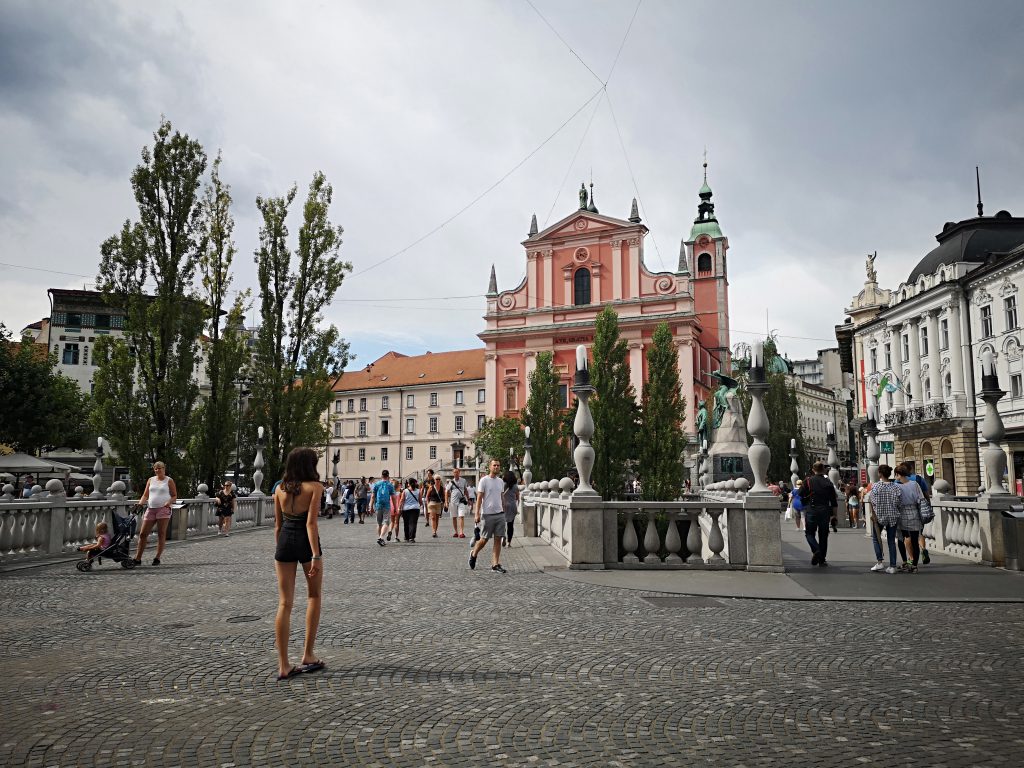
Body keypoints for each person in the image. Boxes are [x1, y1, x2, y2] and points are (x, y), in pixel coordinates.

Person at [272, 446, 325, 681]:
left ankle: (283, 664)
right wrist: (315, 555)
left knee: (284, 603)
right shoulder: (315, 488)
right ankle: (308, 654)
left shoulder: (279, 489)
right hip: (305, 542)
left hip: (284, 542)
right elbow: (311, 524)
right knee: (313, 596)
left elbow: (277, 525)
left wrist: (280, 549)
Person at [133, 461, 177, 566]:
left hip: (163, 509)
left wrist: (169, 502)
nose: (157, 470)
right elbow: (145, 495)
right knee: (143, 534)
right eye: (155, 468)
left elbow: (174, 495)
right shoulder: (151, 480)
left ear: (164, 468)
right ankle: (138, 558)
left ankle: (157, 557)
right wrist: (140, 504)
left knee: (161, 533)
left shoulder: (169, 480)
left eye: (159, 468)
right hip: (151, 509)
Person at [469, 459, 508, 573]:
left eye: (498, 465)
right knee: (484, 540)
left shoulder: (500, 481)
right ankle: (474, 553)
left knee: (498, 539)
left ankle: (495, 564)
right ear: (490, 467)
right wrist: (476, 514)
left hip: (500, 514)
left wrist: (504, 510)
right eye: (494, 465)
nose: (496, 467)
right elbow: (480, 497)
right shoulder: (484, 480)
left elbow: (501, 497)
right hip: (487, 515)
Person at [799, 461, 837, 567]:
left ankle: (816, 550)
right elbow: (833, 501)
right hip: (825, 511)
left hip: (812, 510)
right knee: (823, 535)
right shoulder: (828, 483)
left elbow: (800, 494)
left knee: (809, 533)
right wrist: (834, 515)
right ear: (824, 470)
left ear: (813, 470)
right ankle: (822, 560)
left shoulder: (808, 481)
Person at [868, 464, 902, 574]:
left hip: (879, 516)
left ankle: (880, 561)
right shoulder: (896, 487)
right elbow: (899, 503)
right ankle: (892, 566)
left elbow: (872, 502)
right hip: (892, 516)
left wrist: (874, 514)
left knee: (876, 538)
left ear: (880, 474)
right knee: (891, 541)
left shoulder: (876, 486)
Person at [894, 464, 925, 573]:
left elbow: (896, 502)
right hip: (915, 512)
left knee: (904, 538)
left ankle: (906, 561)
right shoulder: (915, 484)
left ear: (898, 475)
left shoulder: (897, 487)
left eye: (896, 475)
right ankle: (915, 565)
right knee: (915, 540)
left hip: (903, 513)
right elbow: (921, 498)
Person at [371, 471, 395, 546]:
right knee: (386, 523)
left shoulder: (377, 484)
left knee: (379, 523)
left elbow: (372, 496)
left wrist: (370, 506)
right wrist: (395, 506)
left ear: (381, 476)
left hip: (378, 505)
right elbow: (393, 497)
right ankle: (381, 538)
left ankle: (380, 538)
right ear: (388, 476)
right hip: (386, 506)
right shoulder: (390, 485)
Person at [446, 468, 470, 539]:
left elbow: (465, 490)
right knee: (454, 517)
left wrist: (468, 499)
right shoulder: (451, 482)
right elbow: (446, 491)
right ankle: (456, 532)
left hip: (461, 501)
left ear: (459, 473)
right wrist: (446, 502)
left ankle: (461, 532)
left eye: (457, 472)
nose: (456, 473)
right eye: (454, 472)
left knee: (461, 516)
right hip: (453, 501)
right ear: (453, 473)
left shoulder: (463, 480)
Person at [501, 469, 519, 547]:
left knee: (502, 523)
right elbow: (518, 497)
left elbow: (500, 494)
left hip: (503, 505)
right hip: (512, 506)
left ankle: (503, 536)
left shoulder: (502, 485)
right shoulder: (515, 486)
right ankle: (509, 542)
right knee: (510, 525)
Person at [399, 478, 420, 542]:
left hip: (406, 509)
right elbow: (420, 501)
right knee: (413, 523)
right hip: (415, 509)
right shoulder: (418, 491)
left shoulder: (405, 491)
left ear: (408, 484)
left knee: (406, 523)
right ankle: (412, 537)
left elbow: (402, 500)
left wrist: (399, 508)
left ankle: (406, 537)